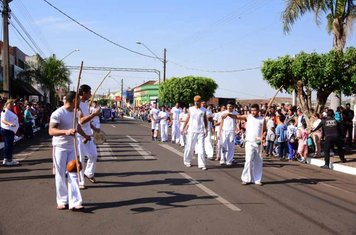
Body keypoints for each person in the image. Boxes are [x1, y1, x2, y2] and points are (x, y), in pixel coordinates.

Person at [49, 91, 88, 210]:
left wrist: (85, 136)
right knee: (60, 174)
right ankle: (62, 200)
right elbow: (51, 131)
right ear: (74, 100)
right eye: (79, 100)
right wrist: (66, 132)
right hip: (59, 147)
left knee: (73, 172)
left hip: (72, 147)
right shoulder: (58, 113)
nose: (80, 102)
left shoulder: (76, 113)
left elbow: (78, 127)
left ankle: (75, 202)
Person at [223, 103, 266, 185]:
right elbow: (237, 117)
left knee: (258, 161)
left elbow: (264, 130)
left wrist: (262, 137)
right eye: (252, 110)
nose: (253, 112)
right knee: (248, 160)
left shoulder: (262, 119)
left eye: (255, 110)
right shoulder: (248, 117)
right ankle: (246, 179)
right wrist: (229, 114)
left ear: (258, 110)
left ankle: (257, 179)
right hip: (249, 142)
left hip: (258, 143)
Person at [77, 84, 101, 189]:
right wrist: (94, 115)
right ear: (84, 93)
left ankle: (89, 173)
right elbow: (81, 121)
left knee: (94, 155)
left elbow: (86, 120)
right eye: (89, 92)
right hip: (80, 135)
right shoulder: (77, 104)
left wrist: (94, 128)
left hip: (89, 134)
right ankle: (81, 181)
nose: (91, 94)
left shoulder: (86, 102)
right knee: (81, 159)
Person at [182, 95, 207, 170]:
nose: (196, 103)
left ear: (200, 102)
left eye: (198, 102)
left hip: (200, 131)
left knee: (201, 148)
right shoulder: (191, 109)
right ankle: (187, 161)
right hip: (192, 130)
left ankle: (202, 164)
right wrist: (183, 128)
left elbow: (205, 120)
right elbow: (188, 118)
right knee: (190, 147)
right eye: (195, 102)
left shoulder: (203, 110)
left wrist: (206, 129)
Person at [1, 99, 20, 166]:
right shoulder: (5, 111)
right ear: (7, 104)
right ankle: (7, 160)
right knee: (8, 145)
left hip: (10, 130)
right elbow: (3, 120)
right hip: (7, 130)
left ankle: (8, 159)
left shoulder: (9, 111)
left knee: (9, 145)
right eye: (10, 104)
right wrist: (10, 124)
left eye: (12, 104)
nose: (12, 105)